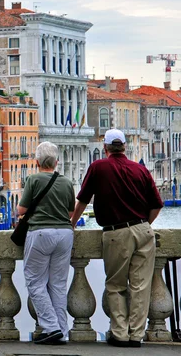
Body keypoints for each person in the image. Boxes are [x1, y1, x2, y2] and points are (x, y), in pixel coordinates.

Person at [71, 129, 162, 348]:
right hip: (143, 230)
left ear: (106, 148)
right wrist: (144, 226)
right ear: (125, 146)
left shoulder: (98, 167)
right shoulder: (140, 169)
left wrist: (72, 223)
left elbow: (82, 200)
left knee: (116, 285)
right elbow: (157, 204)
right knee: (141, 286)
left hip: (116, 232)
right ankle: (136, 335)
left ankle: (120, 333)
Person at [18, 142, 75, 345]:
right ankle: (62, 330)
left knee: (35, 281)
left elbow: (21, 210)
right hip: (65, 234)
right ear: (57, 162)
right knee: (58, 285)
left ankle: (51, 327)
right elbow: (70, 213)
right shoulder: (67, 182)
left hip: (41, 233)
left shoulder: (33, 180)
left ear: (37, 162)